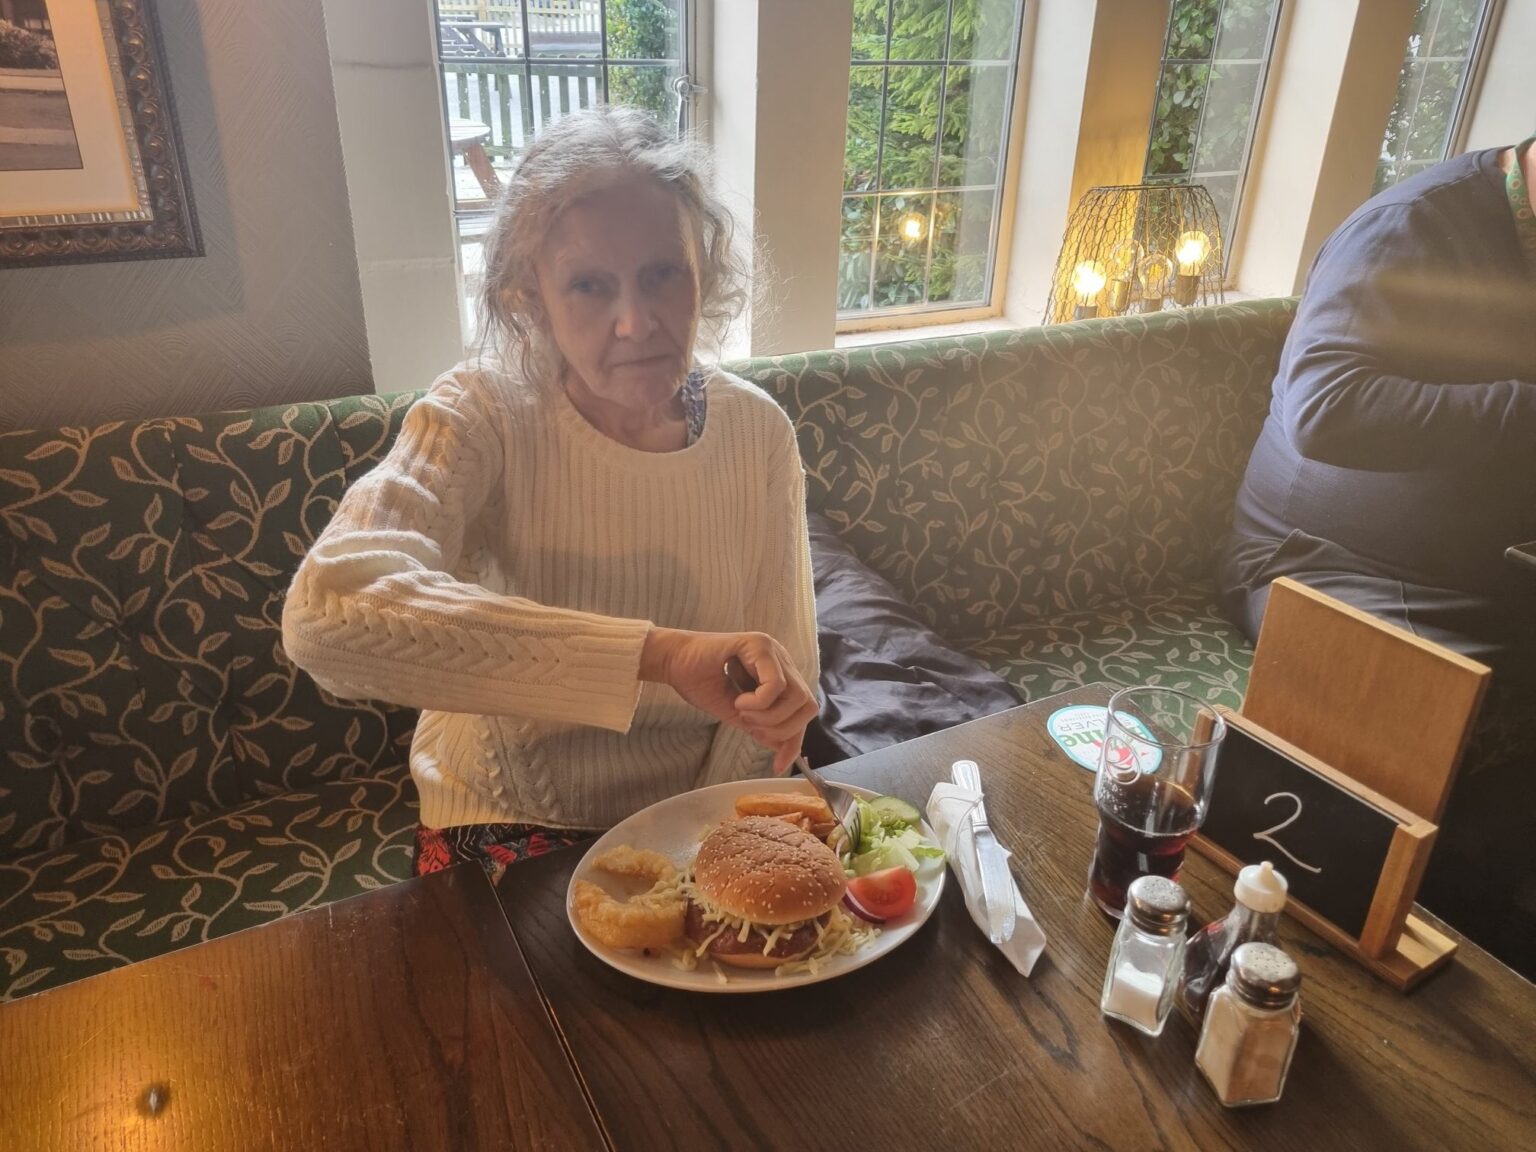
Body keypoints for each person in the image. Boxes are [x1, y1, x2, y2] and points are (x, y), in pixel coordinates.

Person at [282, 107, 819, 877]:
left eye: (663, 273)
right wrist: (659, 656)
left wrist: (704, 843)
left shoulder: (757, 430)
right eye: (590, 286)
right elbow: (325, 616)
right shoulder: (480, 412)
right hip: (509, 816)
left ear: (703, 267)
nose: (636, 322)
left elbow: (782, 678)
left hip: (694, 811)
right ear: (529, 299)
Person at [1217, 137, 1536, 973]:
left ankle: (1489, 919)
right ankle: (1423, 935)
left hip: (1480, 564)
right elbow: (1325, 407)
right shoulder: (1410, 229)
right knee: (1433, 700)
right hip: (1319, 564)